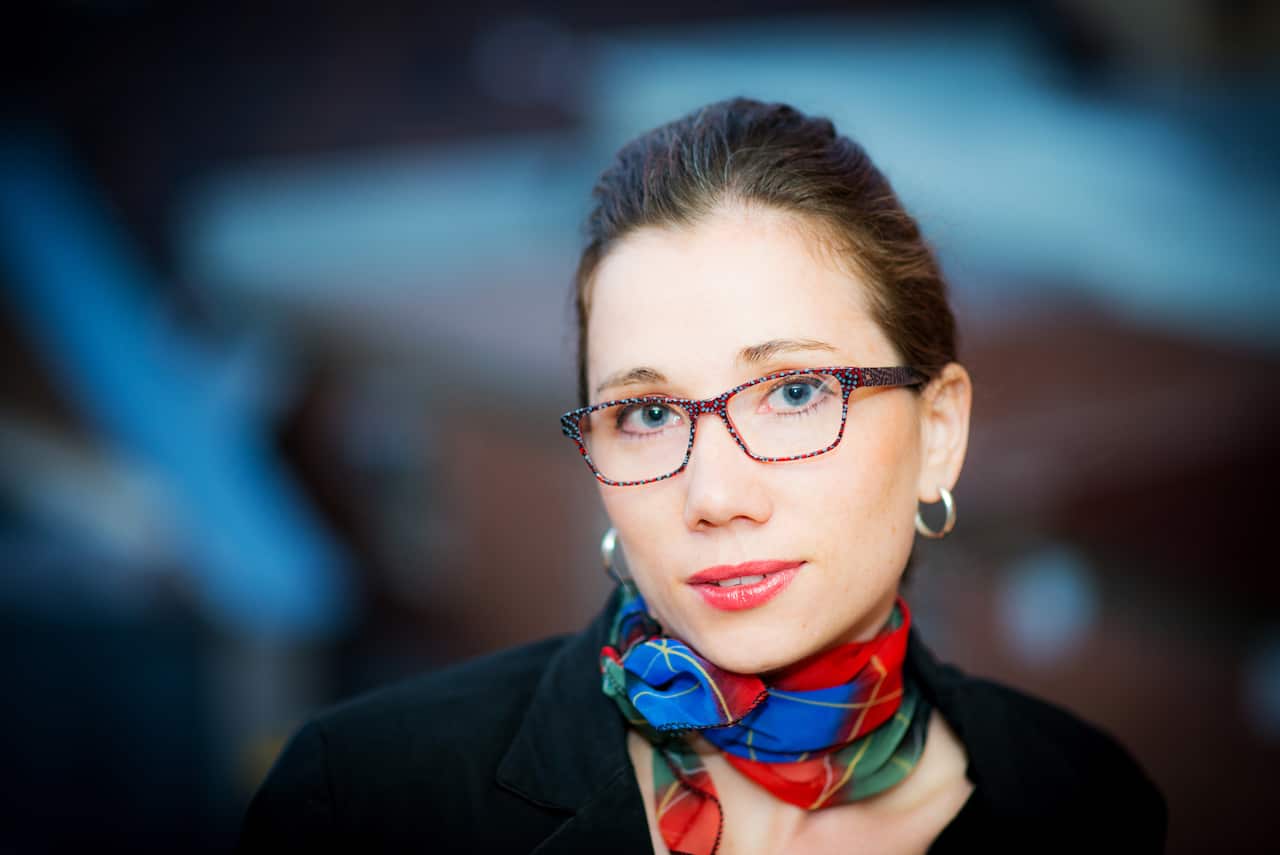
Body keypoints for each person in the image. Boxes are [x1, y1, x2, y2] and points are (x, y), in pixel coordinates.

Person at [239, 98, 1167, 854]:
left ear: (937, 432)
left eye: (795, 391)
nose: (716, 497)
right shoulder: (365, 805)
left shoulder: (1080, 804)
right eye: (646, 414)